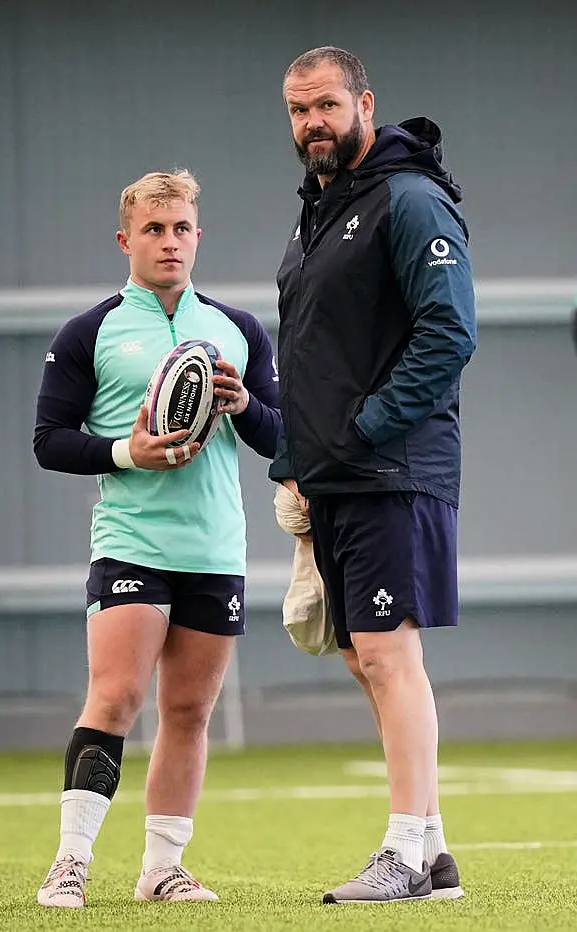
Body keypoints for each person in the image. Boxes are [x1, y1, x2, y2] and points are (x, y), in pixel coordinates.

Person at [33, 169, 280, 907]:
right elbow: (49, 440)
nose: (169, 242)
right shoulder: (91, 331)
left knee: (189, 713)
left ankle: (161, 867)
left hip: (215, 549)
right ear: (126, 239)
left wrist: (244, 405)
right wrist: (124, 452)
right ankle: (71, 860)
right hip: (132, 543)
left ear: (199, 236)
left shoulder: (238, 329)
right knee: (115, 698)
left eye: (181, 229)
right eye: (153, 229)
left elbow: (283, 440)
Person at [269, 46, 477, 904]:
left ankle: (403, 854)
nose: (310, 123)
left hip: (391, 468)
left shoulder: (410, 198)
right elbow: (313, 352)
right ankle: (432, 854)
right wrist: (296, 463)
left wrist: (364, 430)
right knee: (364, 657)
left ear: (364, 102)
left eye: (324, 105)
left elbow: (448, 332)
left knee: (390, 656)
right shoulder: (319, 210)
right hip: (336, 478)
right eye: (295, 110)